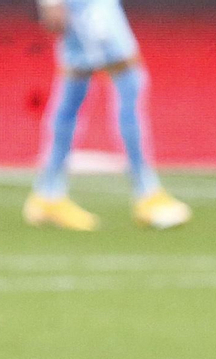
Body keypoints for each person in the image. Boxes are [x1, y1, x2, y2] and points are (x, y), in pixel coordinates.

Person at [23, 0, 190, 231]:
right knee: (129, 78)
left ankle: (48, 194)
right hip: (89, 7)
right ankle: (147, 194)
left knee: (75, 88)